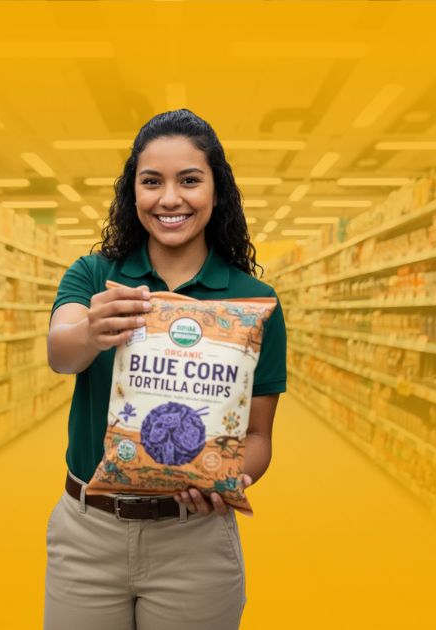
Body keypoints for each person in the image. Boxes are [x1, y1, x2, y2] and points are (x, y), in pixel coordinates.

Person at [43, 109, 287, 630]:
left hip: (195, 541)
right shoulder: (96, 276)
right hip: (87, 535)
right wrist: (91, 330)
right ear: (132, 193)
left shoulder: (254, 300)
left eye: (190, 181)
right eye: (152, 181)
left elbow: (259, 435)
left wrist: (230, 477)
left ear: (217, 191)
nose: (170, 198)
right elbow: (61, 354)